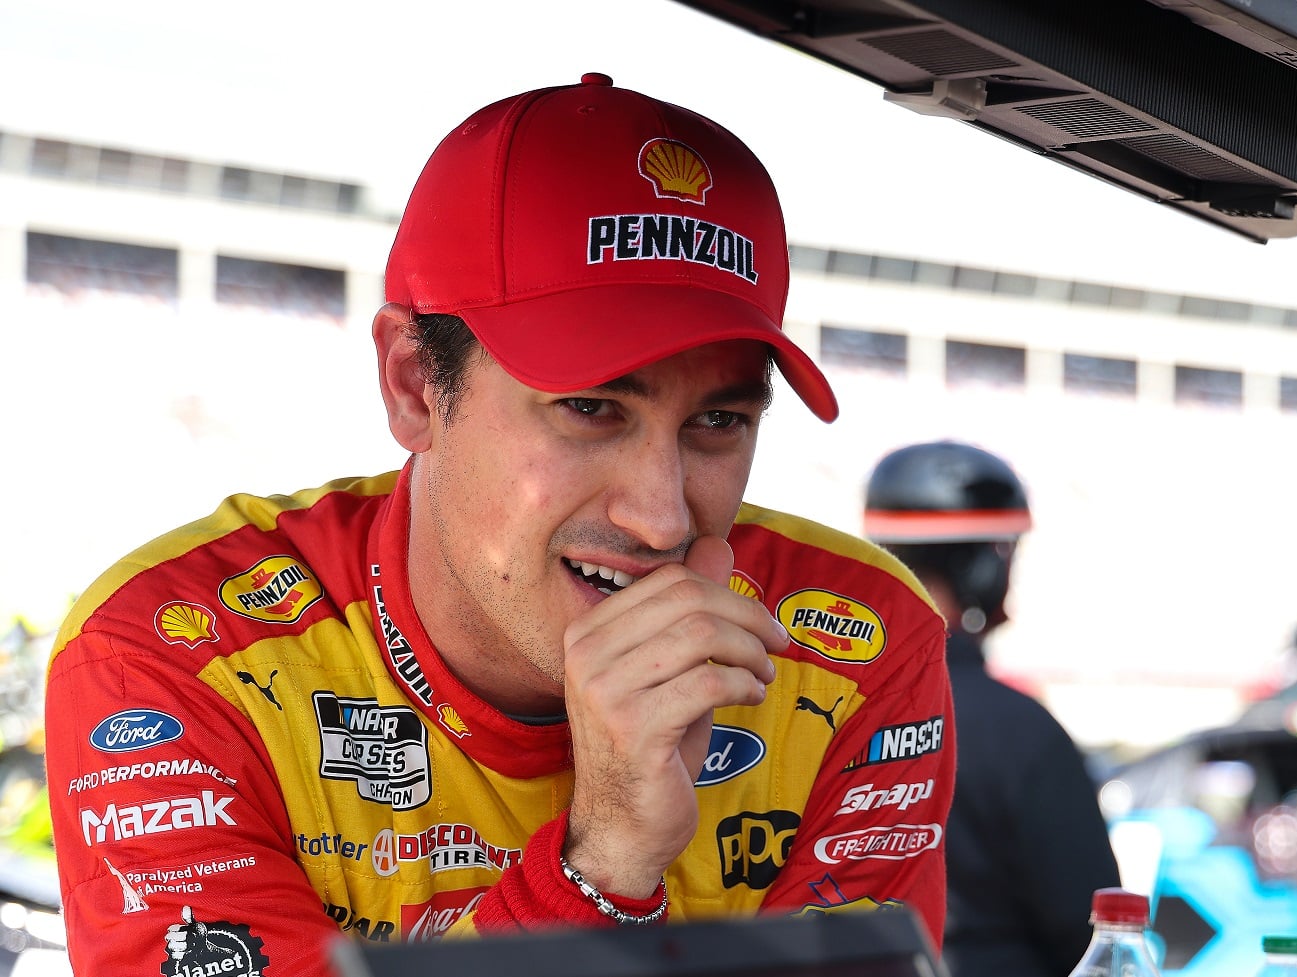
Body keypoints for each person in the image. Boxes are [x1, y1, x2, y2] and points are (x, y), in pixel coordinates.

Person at [45, 74, 954, 977]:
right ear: (412, 385)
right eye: (591, 407)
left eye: (718, 421)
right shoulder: (170, 656)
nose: (661, 514)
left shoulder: (854, 652)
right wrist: (601, 864)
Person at [863, 441, 1120, 977]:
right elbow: (1093, 932)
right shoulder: (1023, 731)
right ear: (981, 566)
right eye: (1005, 552)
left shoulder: (817, 708)